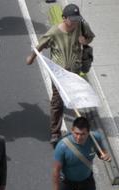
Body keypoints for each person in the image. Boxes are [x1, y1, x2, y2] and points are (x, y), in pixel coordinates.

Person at [27, 3, 95, 144]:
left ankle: (79, 130)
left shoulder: (81, 25)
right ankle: (55, 132)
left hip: (75, 72)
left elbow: (90, 37)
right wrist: (31, 58)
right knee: (57, 103)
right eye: (72, 19)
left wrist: (85, 40)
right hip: (59, 74)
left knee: (75, 99)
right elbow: (40, 45)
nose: (75, 22)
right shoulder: (54, 32)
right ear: (64, 18)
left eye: (77, 19)